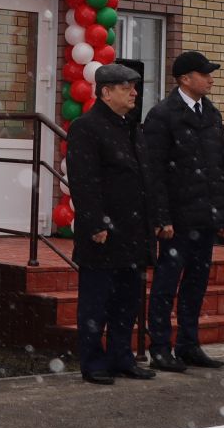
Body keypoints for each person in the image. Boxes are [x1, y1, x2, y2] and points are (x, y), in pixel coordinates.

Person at [140, 50, 224, 373]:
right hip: (177, 220)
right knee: (166, 285)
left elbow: (218, 168)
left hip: (205, 218)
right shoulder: (162, 115)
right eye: (204, 73)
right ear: (184, 79)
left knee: (196, 284)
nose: (210, 78)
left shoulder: (212, 114)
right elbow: (154, 173)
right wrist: (161, 218)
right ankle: (161, 347)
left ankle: (189, 345)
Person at [66, 63, 158, 384]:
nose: (134, 93)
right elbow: (83, 180)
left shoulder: (131, 127)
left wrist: (153, 221)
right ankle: (93, 363)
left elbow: (144, 178)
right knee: (96, 303)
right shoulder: (86, 127)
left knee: (127, 302)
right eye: (126, 87)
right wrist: (95, 224)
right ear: (105, 92)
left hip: (133, 232)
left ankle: (122, 357)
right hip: (104, 234)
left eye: (134, 87)